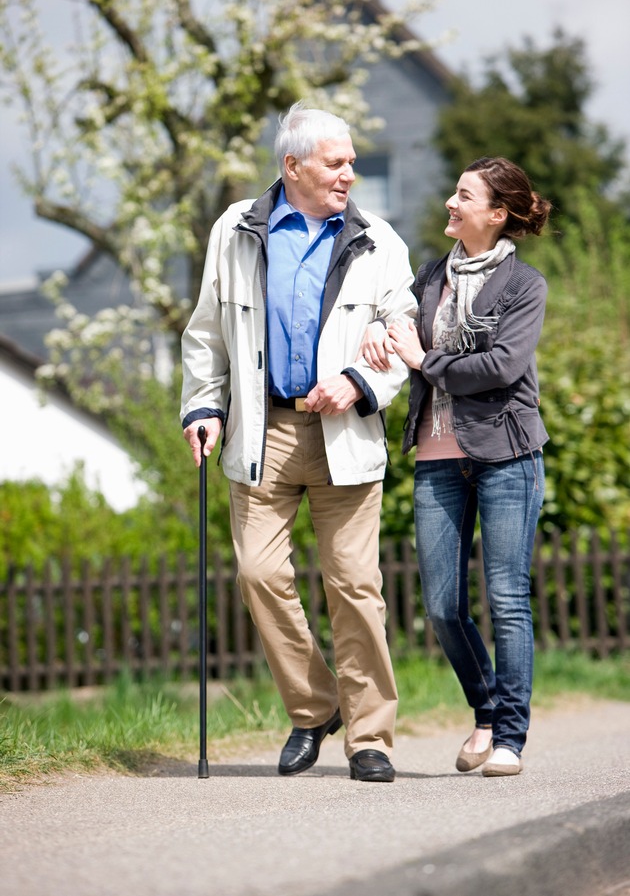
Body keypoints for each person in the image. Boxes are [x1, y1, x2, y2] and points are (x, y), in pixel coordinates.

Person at [181, 102, 417, 782]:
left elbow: (403, 336)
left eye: (351, 161)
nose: (350, 173)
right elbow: (205, 332)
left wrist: (358, 381)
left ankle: (370, 736)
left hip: (343, 430)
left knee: (355, 586)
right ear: (292, 165)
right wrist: (204, 406)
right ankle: (314, 708)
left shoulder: (378, 239)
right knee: (257, 572)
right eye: (336, 162)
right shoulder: (237, 230)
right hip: (264, 429)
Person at [361, 156, 551, 777]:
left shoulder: (525, 287)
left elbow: (501, 366)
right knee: (442, 606)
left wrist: (425, 360)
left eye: (464, 196)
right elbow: (399, 333)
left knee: (507, 599)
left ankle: (510, 740)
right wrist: (379, 336)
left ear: (496, 214)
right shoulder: (429, 278)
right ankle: (487, 710)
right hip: (438, 457)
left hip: (506, 455)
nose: (450, 201)